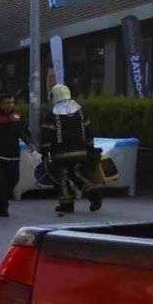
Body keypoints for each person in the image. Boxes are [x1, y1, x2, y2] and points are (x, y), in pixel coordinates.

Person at [40, 84, 102, 215]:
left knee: (62, 177)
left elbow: (47, 135)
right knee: (77, 173)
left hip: (60, 153)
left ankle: (66, 204)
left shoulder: (52, 114)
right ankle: (93, 194)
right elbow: (89, 131)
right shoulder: (81, 112)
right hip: (81, 151)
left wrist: (44, 152)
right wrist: (90, 148)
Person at [0, 93, 33, 217]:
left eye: (12, 103)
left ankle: (3, 199)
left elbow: (23, 132)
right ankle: (2, 207)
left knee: (14, 179)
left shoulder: (17, 116)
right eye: (7, 103)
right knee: (0, 182)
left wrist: (29, 143)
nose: (10, 105)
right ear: (0, 104)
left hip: (13, 154)